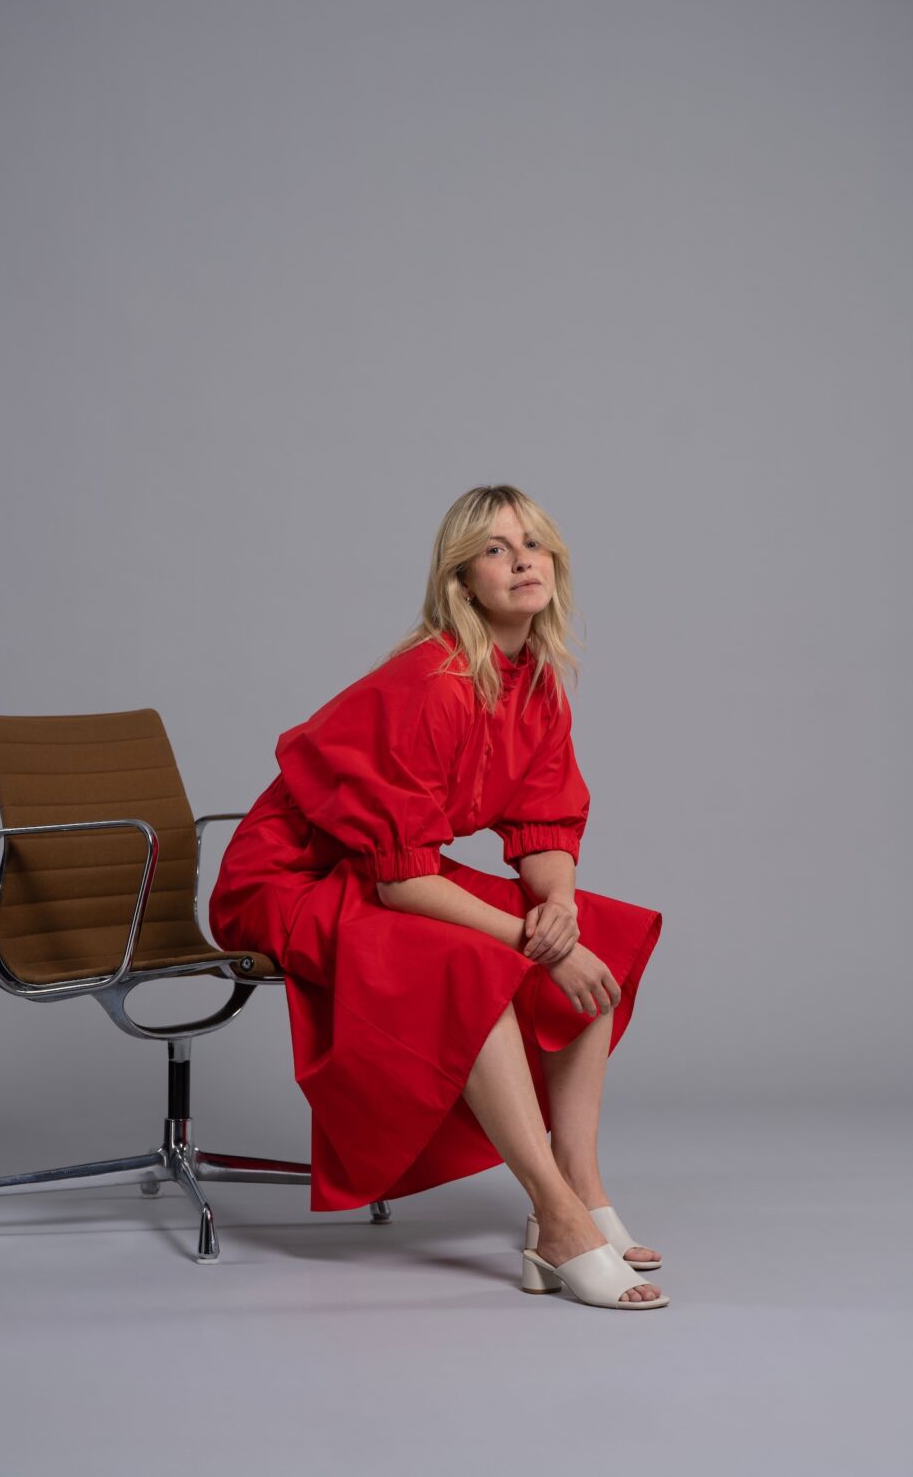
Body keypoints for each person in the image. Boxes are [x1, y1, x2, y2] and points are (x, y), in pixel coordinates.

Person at [210, 484, 667, 1310]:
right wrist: (536, 946)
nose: (522, 560)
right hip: (289, 883)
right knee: (472, 964)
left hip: (381, 870)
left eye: (533, 544)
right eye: (495, 549)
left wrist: (559, 912)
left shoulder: (534, 682)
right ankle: (558, 1220)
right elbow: (400, 882)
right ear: (462, 582)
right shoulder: (433, 681)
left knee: (601, 934)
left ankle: (581, 1184)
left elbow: (545, 821)